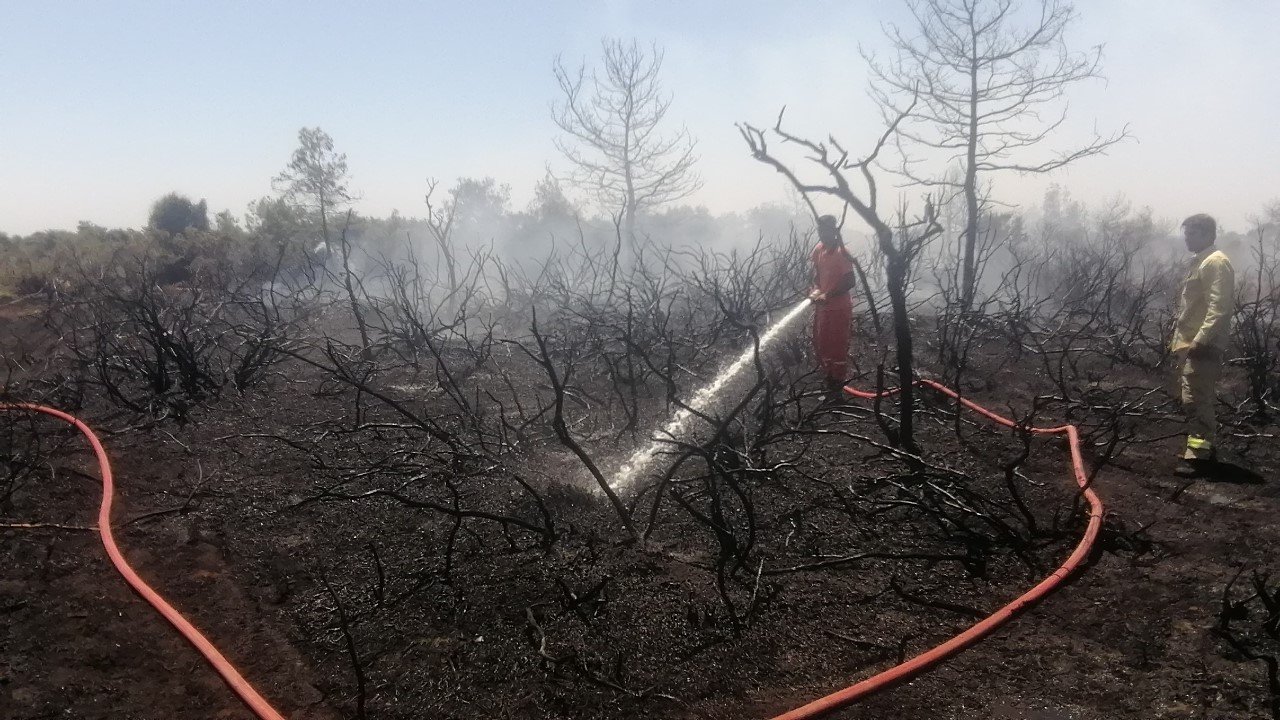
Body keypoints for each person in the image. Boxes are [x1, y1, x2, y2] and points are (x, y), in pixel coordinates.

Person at [1171, 213, 1235, 478]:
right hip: (1192, 343)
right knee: (1193, 397)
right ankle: (1200, 449)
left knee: (1197, 400)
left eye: (1192, 234)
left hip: (1202, 344)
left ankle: (1198, 457)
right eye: (1186, 234)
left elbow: (1218, 308)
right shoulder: (1203, 262)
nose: (1187, 238)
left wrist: (1200, 340)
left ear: (1208, 235)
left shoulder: (1215, 263)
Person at [808, 215, 858, 399]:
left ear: (835, 230)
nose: (822, 234)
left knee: (837, 347)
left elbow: (850, 281)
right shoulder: (819, 250)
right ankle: (828, 379)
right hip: (823, 309)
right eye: (820, 230)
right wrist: (814, 290)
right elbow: (816, 275)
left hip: (839, 308)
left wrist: (827, 295)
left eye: (826, 230)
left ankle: (837, 386)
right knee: (822, 344)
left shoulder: (842, 252)